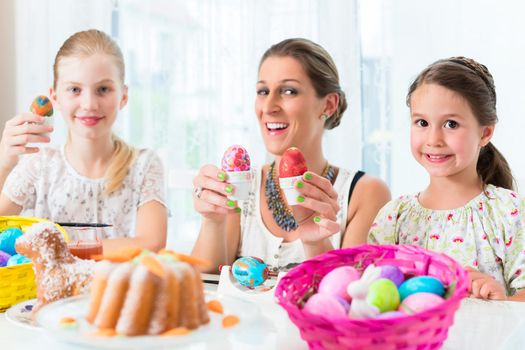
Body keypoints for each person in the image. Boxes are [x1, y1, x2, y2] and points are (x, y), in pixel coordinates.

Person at [192, 38, 390, 273]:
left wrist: (315, 242)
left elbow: (347, 297)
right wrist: (212, 221)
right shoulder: (243, 186)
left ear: (328, 105)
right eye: (263, 91)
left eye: (288, 91)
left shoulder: (364, 193)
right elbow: (205, 285)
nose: (268, 106)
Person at [369, 57, 525, 301]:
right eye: (422, 122)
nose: (433, 139)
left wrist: (503, 303)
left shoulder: (510, 212)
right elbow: (375, 294)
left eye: (451, 124)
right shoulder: (394, 218)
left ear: (485, 132)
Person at [0, 29, 167, 252]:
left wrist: (60, 250)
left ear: (123, 96)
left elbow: (151, 244)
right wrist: (4, 163)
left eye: (103, 89)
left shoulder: (144, 165)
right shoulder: (39, 165)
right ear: (55, 97)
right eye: (75, 89)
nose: (89, 104)